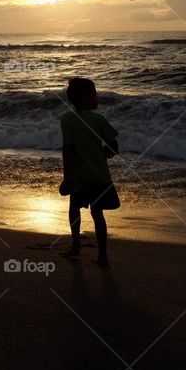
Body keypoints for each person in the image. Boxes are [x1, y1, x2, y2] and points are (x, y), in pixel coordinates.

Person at [59, 77, 120, 266]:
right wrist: (103, 154)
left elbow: (68, 150)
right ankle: (102, 255)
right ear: (85, 98)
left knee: (74, 209)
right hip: (99, 176)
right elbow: (113, 147)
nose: (97, 97)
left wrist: (67, 176)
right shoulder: (99, 119)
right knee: (97, 213)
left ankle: (76, 245)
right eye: (94, 94)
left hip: (78, 176)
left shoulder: (67, 120)